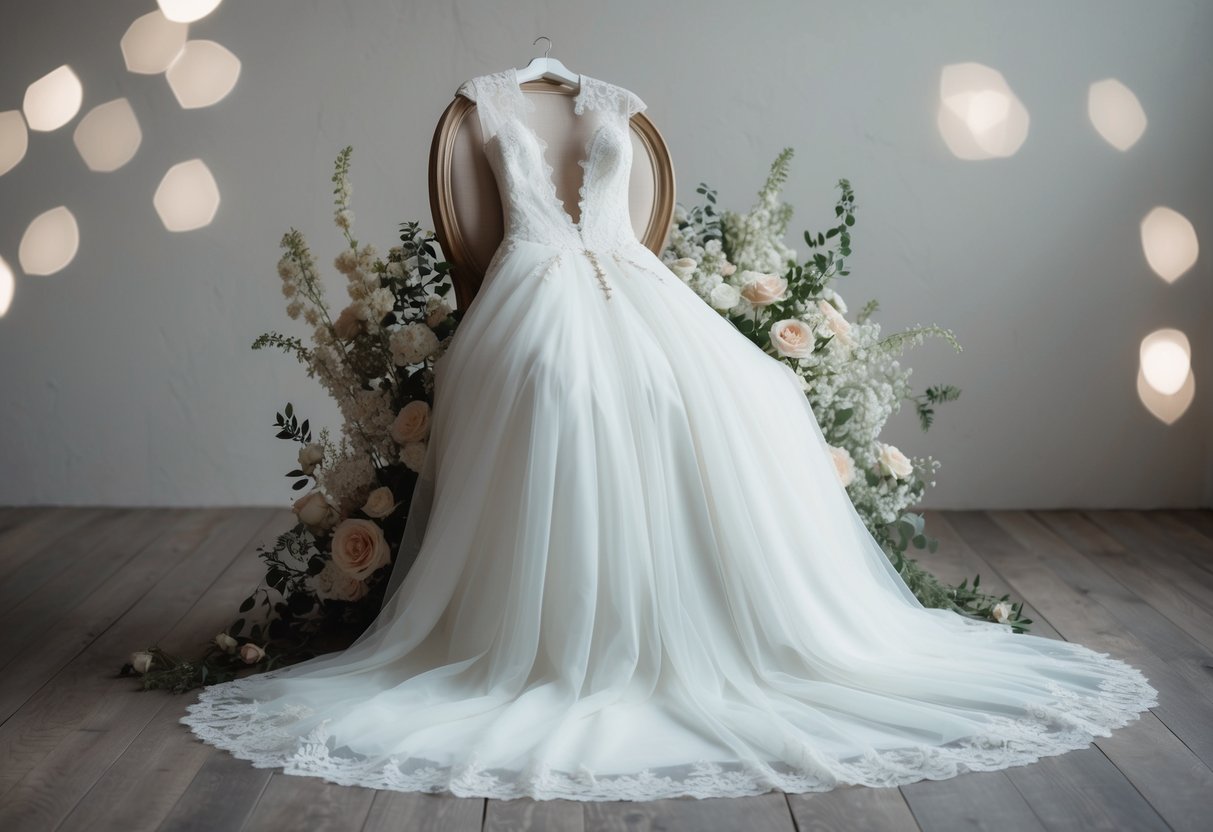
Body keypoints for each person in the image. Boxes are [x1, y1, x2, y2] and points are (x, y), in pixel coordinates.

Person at [180, 68, 1158, 801]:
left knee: (756, 383)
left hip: (641, 291)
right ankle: (564, 631)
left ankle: (741, 618)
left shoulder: (612, 104)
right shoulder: (484, 108)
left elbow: (627, 223)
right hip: (531, 294)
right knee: (563, 385)